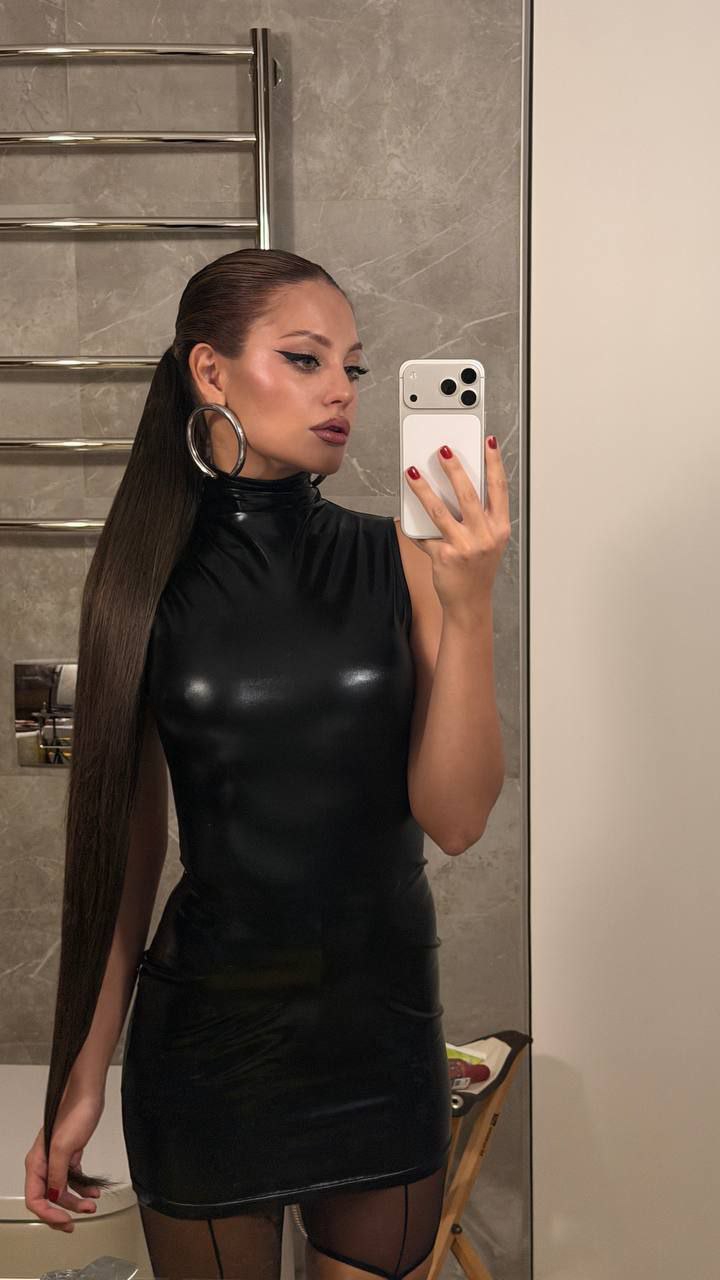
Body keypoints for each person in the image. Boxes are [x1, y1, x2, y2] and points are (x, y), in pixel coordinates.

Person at [24, 247, 509, 1280]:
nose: (341, 390)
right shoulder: (140, 584)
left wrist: (470, 608)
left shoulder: (401, 558)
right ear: (211, 370)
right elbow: (125, 860)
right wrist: (83, 1072)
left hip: (381, 1037)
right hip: (208, 1046)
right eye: (305, 358)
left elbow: (458, 819)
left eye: (353, 367)